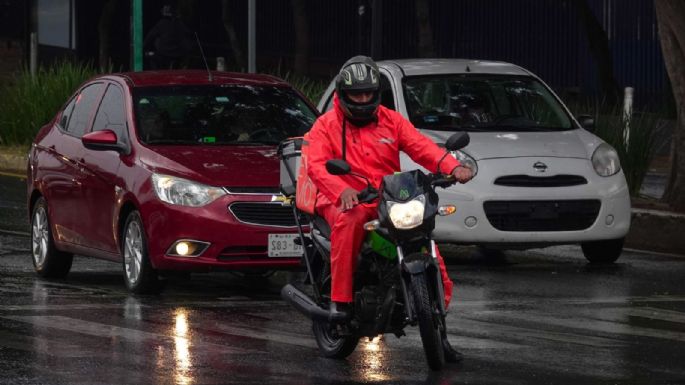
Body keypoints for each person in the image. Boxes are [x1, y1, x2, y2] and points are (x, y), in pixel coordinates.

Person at [304, 56, 474, 362]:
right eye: (356, 95)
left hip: (388, 197)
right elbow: (316, 165)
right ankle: (340, 302)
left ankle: (438, 330)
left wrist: (452, 166)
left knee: (424, 237)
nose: (363, 99)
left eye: (368, 93)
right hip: (343, 198)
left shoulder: (391, 120)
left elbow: (421, 146)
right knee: (350, 221)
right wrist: (341, 190)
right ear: (343, 95)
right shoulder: (325, 125)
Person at [143, 4, 193, 69]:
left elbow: (149, 37)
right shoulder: (179, 23)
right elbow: (188, 35)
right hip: (178, 55)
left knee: (150, 56)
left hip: (164, 55)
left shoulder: (161, 23)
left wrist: (143, 48)